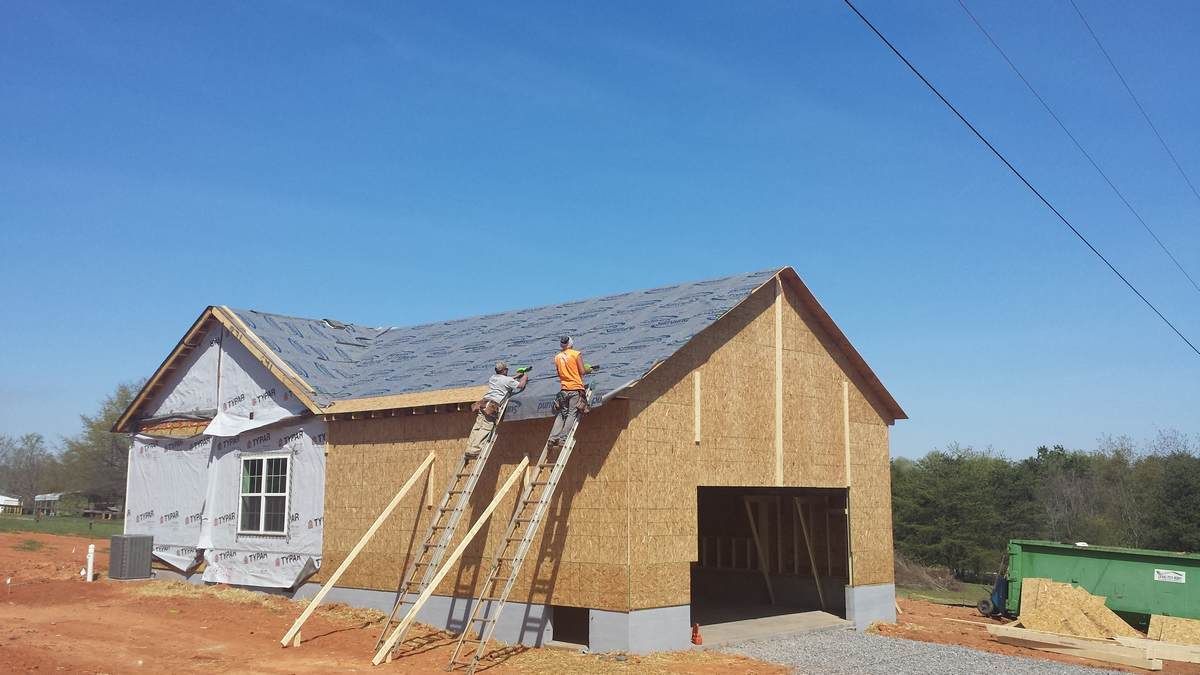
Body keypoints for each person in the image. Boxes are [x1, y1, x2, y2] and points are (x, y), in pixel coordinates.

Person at [465, 361, 528, 458]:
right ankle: (475, 450)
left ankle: (469, 448)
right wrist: (524, 378)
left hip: (483, 403)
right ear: (505, 370)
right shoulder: (507, 381)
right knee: (486, 427)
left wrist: (516, 376)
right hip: (491, 405)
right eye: (506, 369)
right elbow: (520, 386)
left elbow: (504, 380)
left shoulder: (492, 378)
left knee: (477, 426)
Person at [547, 336, 596, 447]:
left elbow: (559, 373)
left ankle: (552, 438)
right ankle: (563, 438)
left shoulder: (557, 357)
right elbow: (582, 371)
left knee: (561, 415)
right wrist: (589, 369)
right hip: (575, 388)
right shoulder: (575, 354)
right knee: (571, 414)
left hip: (564, 390)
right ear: (571, 343)